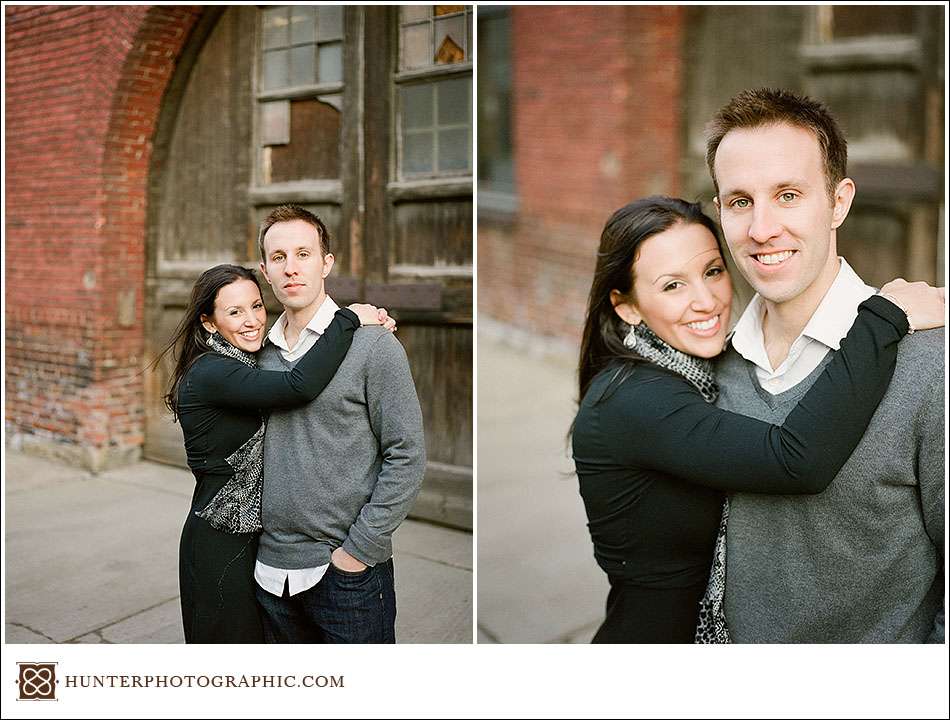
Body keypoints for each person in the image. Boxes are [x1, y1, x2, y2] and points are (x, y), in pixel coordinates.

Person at [571, 196, 944, 643]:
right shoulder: (633, 400)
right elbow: (794, 459)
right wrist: (884, 319)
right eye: (673, 286)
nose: (705, 301)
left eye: (712, 272)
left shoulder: (704, 372)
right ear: (626, 306)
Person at [705, 88, 945, 642]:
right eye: (740, 201)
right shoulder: (712, 364)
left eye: (788, 195)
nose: (762, 229)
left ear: (839, 202)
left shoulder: (930, 367)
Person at [158, 263, 393, 643]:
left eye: (256, 306)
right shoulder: (212, 372)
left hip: (257, 543)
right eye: (234, 312)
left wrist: (371, 327)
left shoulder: (247, 361)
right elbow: (298, 386)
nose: (251, 320)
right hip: (220, 544)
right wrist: (348, 318)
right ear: (209, 323)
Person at [251, 204, 426, 644]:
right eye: (278, 258)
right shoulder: (257, 356)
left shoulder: (372, 346)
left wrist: (358, 552)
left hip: (345, 575)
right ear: (265, 271)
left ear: (327, 263)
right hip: (269, 571)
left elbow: (406, 454)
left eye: (304, 254)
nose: (291, 268)